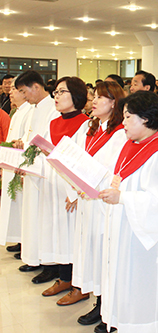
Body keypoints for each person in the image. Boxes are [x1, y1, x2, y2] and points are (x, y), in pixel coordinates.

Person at [98, 91, 158, 333]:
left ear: (146, 118)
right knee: (122, 282)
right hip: (123, 229)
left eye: (127, 117)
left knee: (139, 285)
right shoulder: (130, 145)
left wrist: (122, 197)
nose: (122, 123)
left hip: (143, 238)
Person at [72, 81, 127, 327]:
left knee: (107, 254)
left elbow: (114, 169)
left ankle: (111, 310)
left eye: (100, 97)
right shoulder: (91, 126)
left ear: (114, 102)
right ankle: (99, 302)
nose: (93, 100)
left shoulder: (120, 132)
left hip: (105, 201)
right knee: (93, 252)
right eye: (93, 96)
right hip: (88, 199)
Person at [39, 77, 92, 306]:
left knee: (75, 235)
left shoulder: (86, 124)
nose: (56, 96)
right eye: (56, 92)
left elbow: (84, 160)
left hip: (73, 187)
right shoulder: (54, 122)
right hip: (55, 182)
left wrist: (75, 191)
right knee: (60, 232)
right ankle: (65, 277)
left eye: (62, 92)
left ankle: (80, 285)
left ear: (77, 96)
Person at [13, 70, 59, 277]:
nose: (24, 96)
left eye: (25, 91)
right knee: (32, 216)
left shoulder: (53, 109)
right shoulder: (35, 108)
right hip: (32, 166)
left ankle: (46, 263)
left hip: (44, 169)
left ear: (36, 87)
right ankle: (34, 257)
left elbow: (49, 141)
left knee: (44, 219)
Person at [0, 81, 33, 256]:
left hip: (20, 164)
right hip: (11, 162)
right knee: (15, 204)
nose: (11, 92)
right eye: (11, 89)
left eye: (15, 89)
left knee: (22, 205)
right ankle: (20, 240)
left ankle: (24, 242)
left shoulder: (30, 111)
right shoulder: (17, 111)